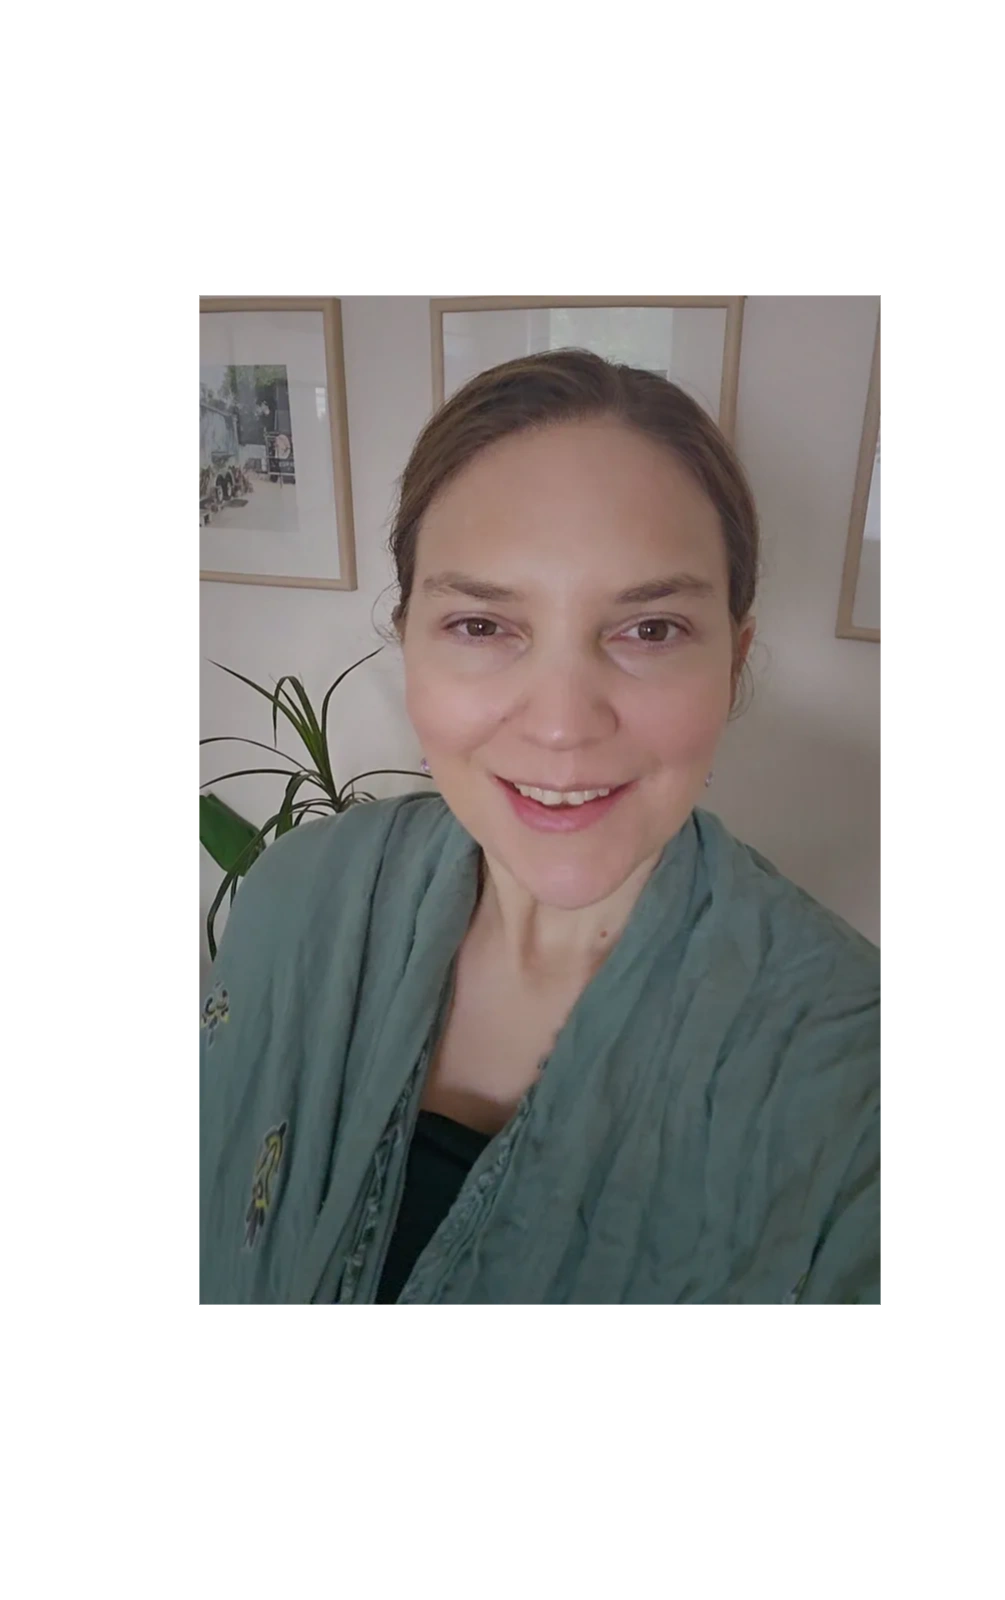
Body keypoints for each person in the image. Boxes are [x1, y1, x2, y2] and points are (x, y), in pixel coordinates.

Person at [197, 350, 885, 1311]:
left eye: (649, 630)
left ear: (735, 660)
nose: (562, 725)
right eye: (482, 625)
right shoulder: (296, 894)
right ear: (410, 640)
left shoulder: (857, 1082)